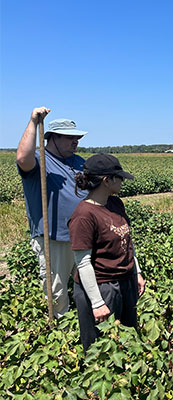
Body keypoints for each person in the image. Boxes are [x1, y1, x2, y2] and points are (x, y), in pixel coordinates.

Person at [68, 153, 146, 352]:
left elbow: (127, 241)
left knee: (128, 341)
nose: (122, 181)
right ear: (106, 180)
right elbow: (83, 263)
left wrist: (136, 272)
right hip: (102, 287)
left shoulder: (115, 203)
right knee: (101, 348)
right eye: (118, 177)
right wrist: (97, 303)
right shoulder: (84, 215)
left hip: (125, 281)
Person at [16, 107, 88, 318]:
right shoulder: (39, 160)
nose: (76, 142)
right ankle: (59, 329)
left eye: (77, 138)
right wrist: (34, 123)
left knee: (86, 281)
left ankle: (83, 321)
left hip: (82, 234)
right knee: (56, 288)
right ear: (52, 138)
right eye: (70, 138)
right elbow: (22, 158)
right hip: (54, 237)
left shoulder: (79, 161)